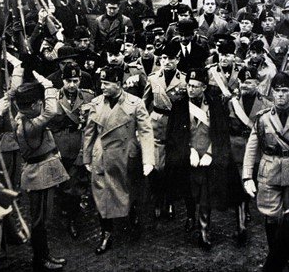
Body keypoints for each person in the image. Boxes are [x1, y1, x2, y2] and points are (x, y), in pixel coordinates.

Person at [242, 72, 289, 249]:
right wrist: (247, 177)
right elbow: (251, 148)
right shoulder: (262, 117)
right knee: (271, 217)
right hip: (269, 171)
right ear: (272, 92)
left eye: (285, 90)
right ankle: (274, 253)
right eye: (277, 91)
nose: (281, 95)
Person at [82, 65, 154, 254]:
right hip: (102, 156)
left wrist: (148, 159)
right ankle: (106, 233)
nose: (102, 87)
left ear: (119, 84)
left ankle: (132, 215)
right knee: (102, 195)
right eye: (101, 83)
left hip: (126, 156)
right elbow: (89, 132)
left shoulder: (135, 103)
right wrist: (87, 157)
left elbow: (146, 132)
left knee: (129, 191)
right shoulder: (96, 103)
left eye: (107, 83)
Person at [165, 68, 231, 249]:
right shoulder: (179, 106)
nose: (190, 89)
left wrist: (210, 152)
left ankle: (204, 228)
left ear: (204, 87)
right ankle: (190, 215)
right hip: (189, 156)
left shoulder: (215, 105)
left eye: (195, 86)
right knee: (189, 190)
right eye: (188, 85)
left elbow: (221, 133)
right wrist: (189, 150)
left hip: (208, 157)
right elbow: (173, 134)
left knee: (205, 192)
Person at [14, 81, 70, 271]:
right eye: (39, 103)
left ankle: (45, 256)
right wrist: (48, 86)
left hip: (42, 170)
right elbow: (51, 111)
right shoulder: (28, 125)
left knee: (42, 220)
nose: (42, 106)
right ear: (32, 106)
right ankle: (40, 260)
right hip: (39, 174)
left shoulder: (24, 118)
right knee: (40, 221)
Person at [46, 63, 95, 239]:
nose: (72, 85)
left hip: (79, 146)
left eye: (75, 81)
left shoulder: (89, 97)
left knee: (75, 185)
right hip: (59, 147)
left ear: (80, 80)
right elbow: (47, 127)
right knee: (60, 184)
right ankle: (63, 212)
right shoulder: (51, 98)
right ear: (62, 80)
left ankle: (72, 219)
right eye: (68, 81)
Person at [227, 66, 273, 245]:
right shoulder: (231, 103)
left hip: (257, 150)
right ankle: (241, 226)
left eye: (249, 81)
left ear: (257, 83)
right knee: (241, 184)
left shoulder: (267, 104)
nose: (244, 85)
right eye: (242, 81)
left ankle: (247, 208)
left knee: (254, 181)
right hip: (237, 148)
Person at [143, 41, 187, 219]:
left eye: (171, 58)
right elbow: (144, 104)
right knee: (157, 165)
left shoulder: (184, 79)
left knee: (173, 164)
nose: (167, 61)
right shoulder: (153, 78)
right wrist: (143, 126)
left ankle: (169, 200)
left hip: (176, 123)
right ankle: (157, 198)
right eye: (163, 58)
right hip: (157, 124)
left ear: (177, 60)